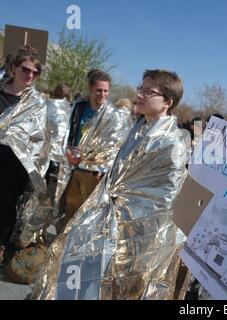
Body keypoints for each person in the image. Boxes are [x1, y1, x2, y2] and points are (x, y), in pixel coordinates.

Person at [35, 69, 190, 300]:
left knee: (125, 285)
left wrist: (125, 215)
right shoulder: (139, 128)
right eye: (141, 88)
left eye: (149, 91)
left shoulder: (173, 143)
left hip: (140, 231)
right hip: (114, 219)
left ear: (167, 101)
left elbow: (166, 198)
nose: (141, 94)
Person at [58, 69, 132, 233]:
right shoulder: (79, 108)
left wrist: (106, 169)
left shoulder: (113, 115)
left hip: (95, 174)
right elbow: (67, 134)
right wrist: (67, 152)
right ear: (91, 89)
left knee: (90, 215)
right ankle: (61, 249)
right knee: (69, 210)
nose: (103, 94)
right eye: (99, 90)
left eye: (106, 91)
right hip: (74, 168)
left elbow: (116, 147)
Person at [0, 46, 49, 263]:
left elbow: (40, 137)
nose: (29, 75)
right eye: (25, 69)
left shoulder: (37, 103)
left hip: (16, 164)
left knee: (7, 204)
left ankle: (1, 245)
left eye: (34, 72)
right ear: (13, 69)